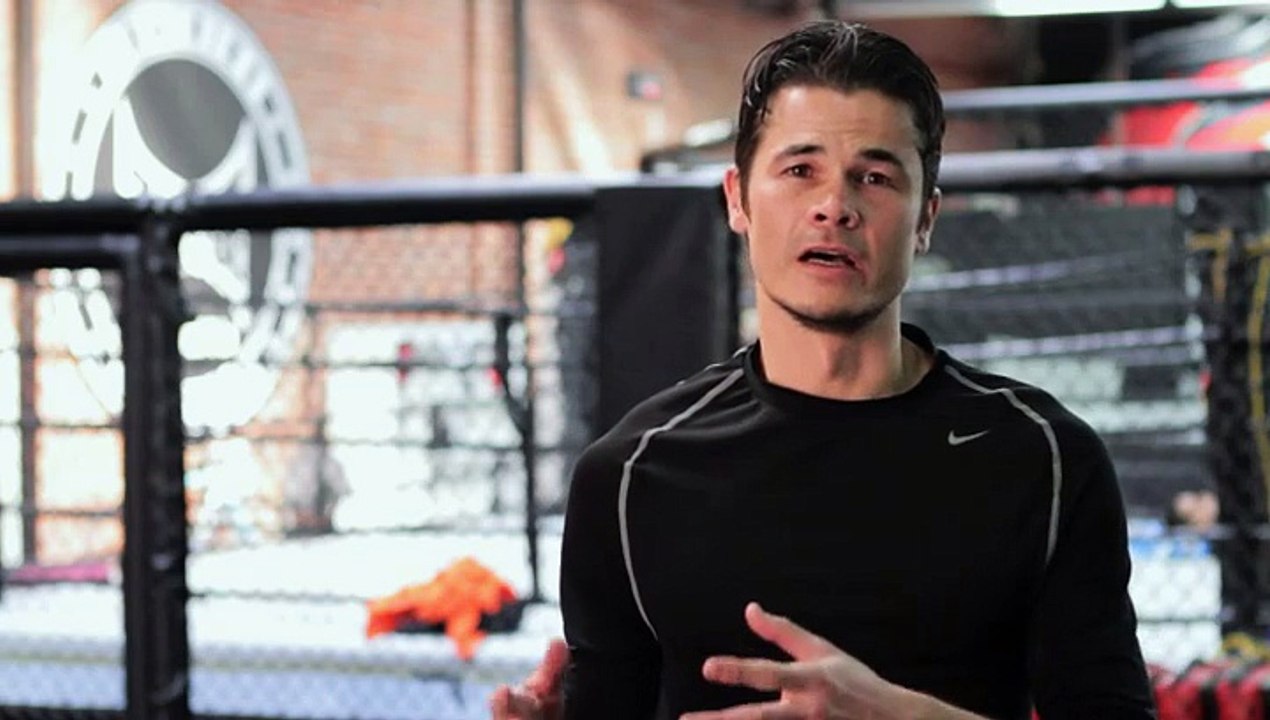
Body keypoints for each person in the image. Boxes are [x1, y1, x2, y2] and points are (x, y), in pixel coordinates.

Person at [492, 19, 1155, 720]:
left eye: (874, 177)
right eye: (799, 170)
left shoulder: (1045, 458)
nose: (835, 207)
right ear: (738, 199)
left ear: (926, 218)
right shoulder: (630, 476)